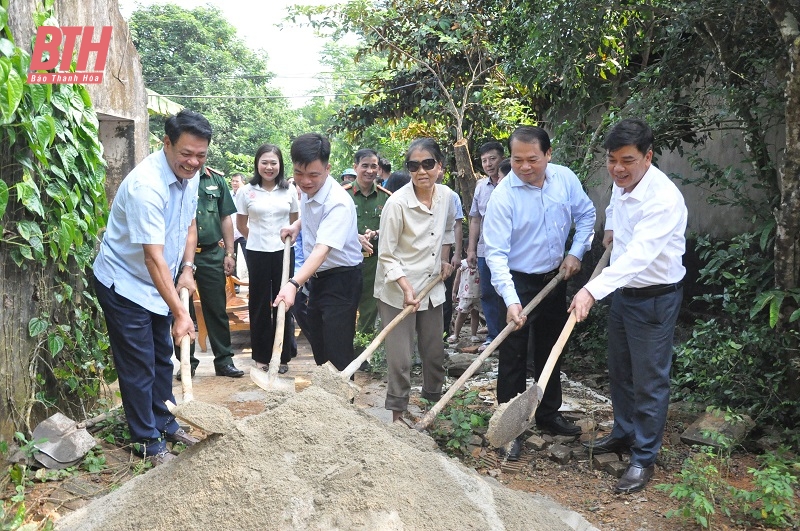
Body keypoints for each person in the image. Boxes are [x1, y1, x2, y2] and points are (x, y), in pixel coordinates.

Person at [570, 118, 687, 494]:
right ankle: (624, 432)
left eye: (627, 160)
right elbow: (618, 213)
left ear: (648, 157)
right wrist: (610, 228)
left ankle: (643, 458)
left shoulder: (664, 199)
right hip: (625, 294)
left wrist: (591, 291)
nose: (618, 168)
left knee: (650, 380)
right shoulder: (622, 185)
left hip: (655, 298)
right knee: (620, 370)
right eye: (611, 160)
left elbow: (638, 256)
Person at [92, 109, 210, 465]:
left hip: (159, 285)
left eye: (200, 155)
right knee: (139, 364)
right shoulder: (147, 186)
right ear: (167, 143)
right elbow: (153, 259)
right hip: (125, 284)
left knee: (162, 357)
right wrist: (180, 313)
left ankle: (164, 421)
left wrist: (187, 269)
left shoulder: (192, 175)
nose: (193, 162)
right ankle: (146, 440)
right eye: (186, 154)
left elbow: (189, 223)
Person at [484, 126, 596, 460]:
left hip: (555, 276)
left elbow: (587, 215)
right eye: (517, 160)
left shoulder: (564, 179)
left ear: (548, 154)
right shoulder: (504, 196)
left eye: (532, 159)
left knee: (551, 349)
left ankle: (548, 414)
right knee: (514, 353)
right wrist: (511, 300)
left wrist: (576, 251)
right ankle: (510, 425)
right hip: (517, 280)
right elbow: (496, 254)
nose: (525, 166)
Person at [375, 138, 456, 423]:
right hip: (399, 291)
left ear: (440, 167)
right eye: (413, 166)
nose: (421, 171)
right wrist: (407, 288)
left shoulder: (446, 195)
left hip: (432, 287)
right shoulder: (396, 204)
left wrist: (446, 259)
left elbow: (447, 229)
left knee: (434, 353)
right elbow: (386, 255)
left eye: (428, 164)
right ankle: (398, 415)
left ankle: (433, 409)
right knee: (401, 358)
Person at [273, 133, 363, 372]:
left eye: (313, 175)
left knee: (337, 347)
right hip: (318, 277)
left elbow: (322, 250)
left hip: (342, 278)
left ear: (327, 168)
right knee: (320, 343)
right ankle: (326, 398)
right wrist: (297, 225)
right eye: (299, 174)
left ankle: (343, 404)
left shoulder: (338, 201)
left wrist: (293, 283)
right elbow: (312, 215)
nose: (305, 181)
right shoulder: (308, 190)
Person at [175, 165, 244, 380]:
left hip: (212, 253)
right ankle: (187, 362)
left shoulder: (216, 180)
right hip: (179, 255)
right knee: (180, 310)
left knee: (216, 309)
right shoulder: (174, 177)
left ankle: (224, 360)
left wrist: (230, 253)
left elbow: (226, 218)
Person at [235, 144, 299, 375]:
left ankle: (282, 354)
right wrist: (256, 240)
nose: (269, 167)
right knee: (260, 303)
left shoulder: (289, 190)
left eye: (273, 162)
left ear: (280, 165)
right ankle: (261, 356)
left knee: (283, 300)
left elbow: (294, 222)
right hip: (257, 252)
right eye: (264, 162)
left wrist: (284, 240)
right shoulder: (247, 192)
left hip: (284, 252)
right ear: (257, 164)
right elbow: (241, 224)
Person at [342, 148, 392, 336]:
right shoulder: (342, 195)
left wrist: (378, 232)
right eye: (365, 166)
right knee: (346, 307)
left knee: (369, 310)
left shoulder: (386, 197)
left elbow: (394, 227)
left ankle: (362, 354)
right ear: (355, 167)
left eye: (374, 166)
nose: (370, 171)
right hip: (346, 261)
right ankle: (344, 353)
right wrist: (355, 237)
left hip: (373, 261)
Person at [467, 141, 506, 353]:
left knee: (508, 292)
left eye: (492, 158)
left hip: (510, 251)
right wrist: (472, 249)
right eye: (484, 160)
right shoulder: (481, 186)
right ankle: (493, 336)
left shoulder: (511, 182)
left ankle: (509, 335)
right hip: (484, 250)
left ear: (502, 158)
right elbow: (475, 219)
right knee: (488, 294)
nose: (489, 164)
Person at [437, 168, 463, 341]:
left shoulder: (451, 196)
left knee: (445, 295)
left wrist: (457, 253)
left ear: (442, 170)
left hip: (445, 252)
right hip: (422, 252)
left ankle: (443, 335)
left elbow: (457, 225)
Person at [448, 258, 482, 344]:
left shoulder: (480, 263)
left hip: (477, 294)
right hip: (465, 294)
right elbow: (457, 279)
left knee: (475, 314)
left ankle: (474, 334)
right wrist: (454, 292)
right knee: (461, 314)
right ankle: (456, 334)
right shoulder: (462, 264)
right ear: (466, 250)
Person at [230, 173, 247, 262]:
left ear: (243, 182)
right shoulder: (228, 195)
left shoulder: (248, 195)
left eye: (237, 181)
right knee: (231, 260)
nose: (234, 183)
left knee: (250, 259)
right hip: (231, 233)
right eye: (233, 181)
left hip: (245, 232)